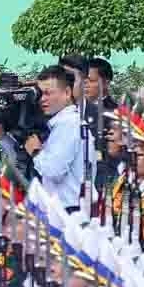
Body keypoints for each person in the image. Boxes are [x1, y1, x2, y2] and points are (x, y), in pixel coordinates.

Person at [22, 66, 85, 209]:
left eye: (48, 93)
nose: (42, 99)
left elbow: (54, 171)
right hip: (64, 209)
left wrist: (36, 152)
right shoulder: (63, 124)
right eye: (39, 94)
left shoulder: (69, 124)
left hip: (69, 211)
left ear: (67, 92)